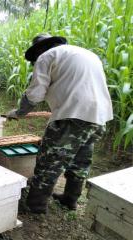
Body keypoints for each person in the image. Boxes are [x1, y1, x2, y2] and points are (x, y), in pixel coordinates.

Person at [6, 34, 113, 213]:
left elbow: (35, 94)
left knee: (49, 161)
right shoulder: (86, 54)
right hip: (99, 117)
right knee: (80, 161)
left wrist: (19, 112)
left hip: (72, 116)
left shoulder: (46, 56)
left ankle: (36, 206)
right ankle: (70, 200)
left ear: (39, 49)